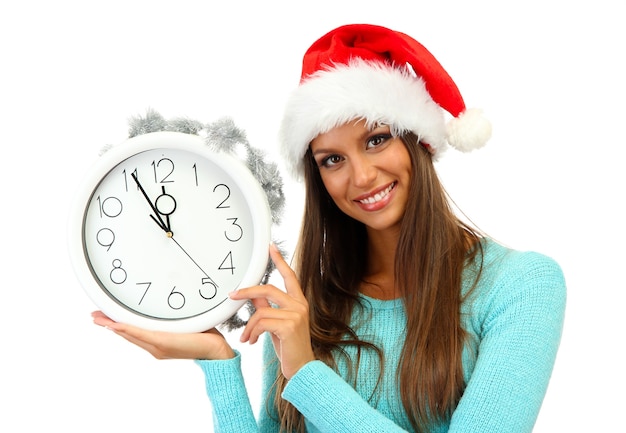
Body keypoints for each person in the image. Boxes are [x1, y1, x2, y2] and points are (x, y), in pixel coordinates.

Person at [92, 23, 567, 433]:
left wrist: (305, 370)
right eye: (333, 159)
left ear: (418, 143)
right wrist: (219, 364)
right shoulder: (308, 301)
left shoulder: (520, 286)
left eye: (377, 140)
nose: (360, 176)